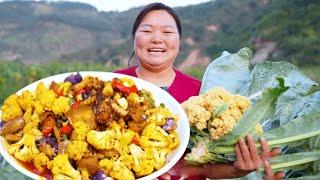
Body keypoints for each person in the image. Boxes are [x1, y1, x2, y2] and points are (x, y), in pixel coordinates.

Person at [114, 2, 284, 180]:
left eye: (167, 32)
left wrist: (237, 169)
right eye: (147, 31)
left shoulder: (201, 94)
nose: (156, 38)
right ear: (134, 38)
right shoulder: (113, 83)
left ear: (179, 42)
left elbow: (209, 168)